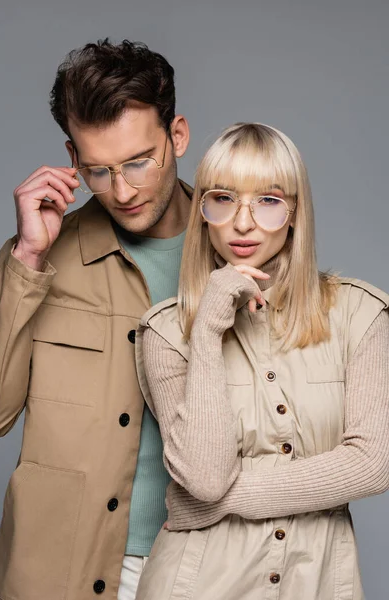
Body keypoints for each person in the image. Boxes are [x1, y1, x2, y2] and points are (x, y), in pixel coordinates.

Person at [134, 122, 389, 600]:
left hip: (319, 584)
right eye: (223, 199)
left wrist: (228, 502)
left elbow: (372, 464)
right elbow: (206, 480)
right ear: (203, 211)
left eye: (268, 201)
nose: (244, 223)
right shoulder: (167, 332)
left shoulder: (362, 314)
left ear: (295, 213)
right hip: (196, 583)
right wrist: (208, 326)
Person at [0, 39, 191, 600]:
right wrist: (26, 261)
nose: (121, 191)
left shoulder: (234, 254)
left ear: (177, 136)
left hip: (205, 566)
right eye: (98, 171)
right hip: (61, 572)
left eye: (137, 162)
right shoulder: (38, 260)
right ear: (73, 160)